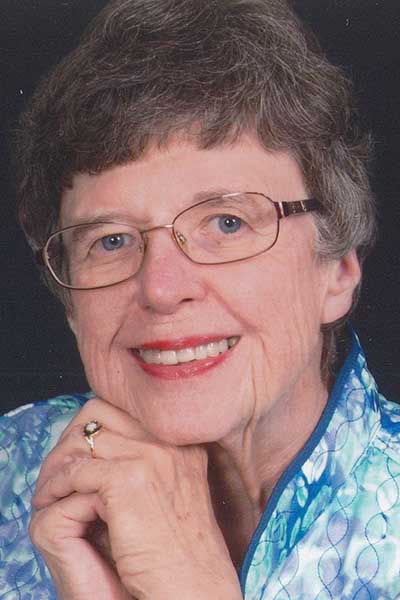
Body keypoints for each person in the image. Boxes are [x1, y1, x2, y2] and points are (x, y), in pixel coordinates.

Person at [1, 0, 399, 598]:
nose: (162, 288)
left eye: (227, 223)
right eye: (111, 241)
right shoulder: (12, 467)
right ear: (71, 306)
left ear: (337, 271)